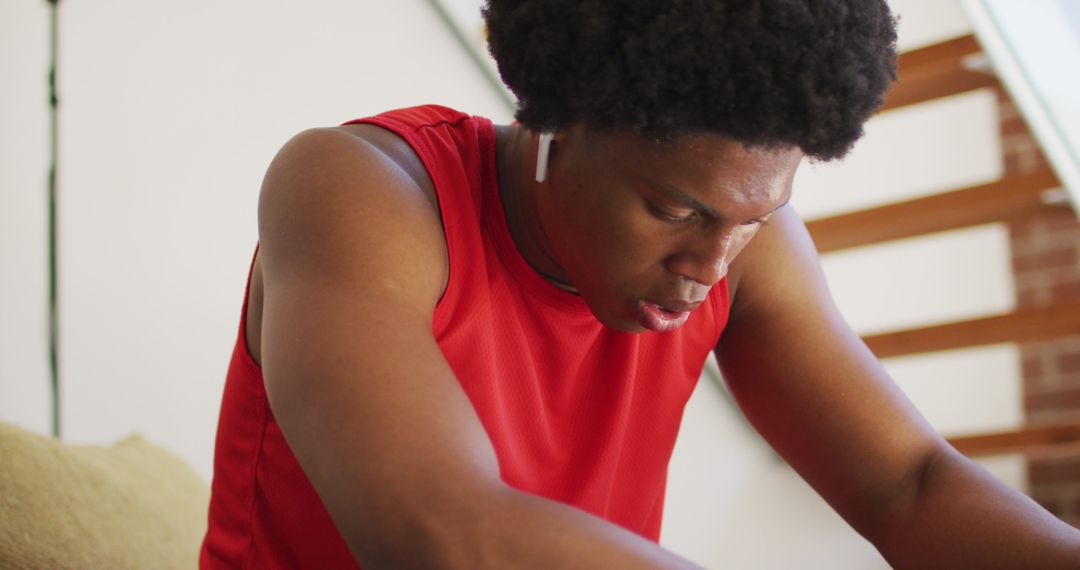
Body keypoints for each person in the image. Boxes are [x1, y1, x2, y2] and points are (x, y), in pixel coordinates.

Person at [200, 1, 1080, 568]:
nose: (709, 267)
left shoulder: (745, 248)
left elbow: (911, 485)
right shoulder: (362, 191)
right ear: (558, 120)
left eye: (753, 219)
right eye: (674, 209)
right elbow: (439, 531)